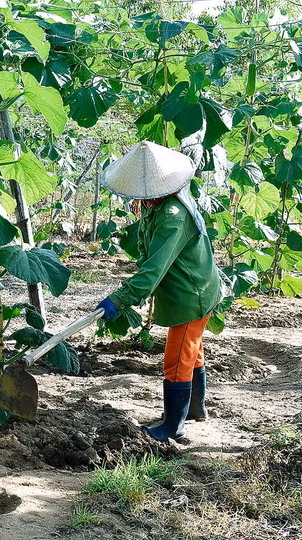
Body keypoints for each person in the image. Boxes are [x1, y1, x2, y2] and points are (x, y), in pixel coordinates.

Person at [96, 141, 222, 442]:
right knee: (192, 352)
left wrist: (119, 300)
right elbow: (147, 252)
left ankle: (172, 427)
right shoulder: (162, 205)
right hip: (194, 286)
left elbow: (152, 271)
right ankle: (194, 409)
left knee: (177, 360)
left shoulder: (173, 216)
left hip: (192, 295)